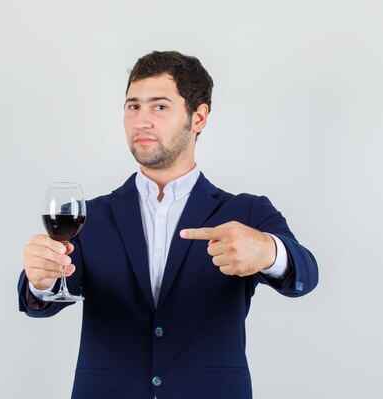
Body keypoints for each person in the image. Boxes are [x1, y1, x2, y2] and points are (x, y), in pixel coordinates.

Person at [18, 50, 318, 399]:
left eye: (159, 106)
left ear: (199, 117)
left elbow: (306, 276)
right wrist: (41, 280)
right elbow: (44, 300)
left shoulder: (245, 212)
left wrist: (268, 251)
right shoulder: (90, 216)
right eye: (133, 107)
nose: (141, 121)